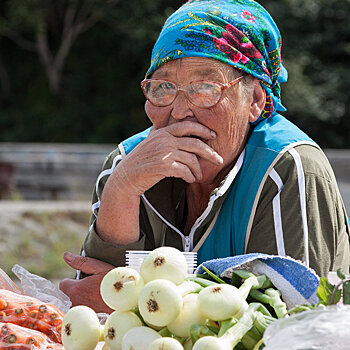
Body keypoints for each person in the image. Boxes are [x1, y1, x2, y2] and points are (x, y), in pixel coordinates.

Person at [59, 0, 350, 313]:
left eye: (205, 87)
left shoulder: (286, 167)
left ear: (254, 100)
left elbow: (291, 321)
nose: (181, 111)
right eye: (164, 87)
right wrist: (122, 191)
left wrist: (138, 302)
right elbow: (91, 311)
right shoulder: (126, 165)